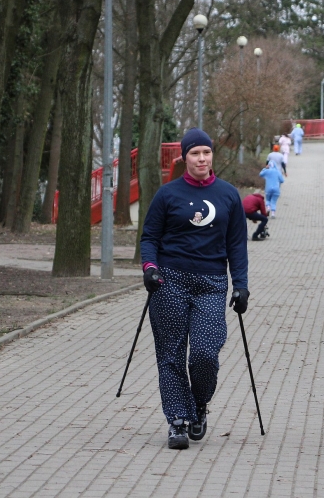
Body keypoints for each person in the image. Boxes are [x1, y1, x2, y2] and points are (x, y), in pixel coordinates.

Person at [140, 127, 249, 450]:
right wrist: (150, 268)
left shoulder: (228, 195)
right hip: (170, 281)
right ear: (184, 158)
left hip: (212, 283)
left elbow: (237, 246)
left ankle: (199, 404)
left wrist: (241, 286)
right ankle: (177, 421)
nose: (201, 159)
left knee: (204, 353)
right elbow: (149, 237)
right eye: (195, 153)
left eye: (206, 152)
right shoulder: (167, 195)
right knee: (171, 353)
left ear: (212, 155)